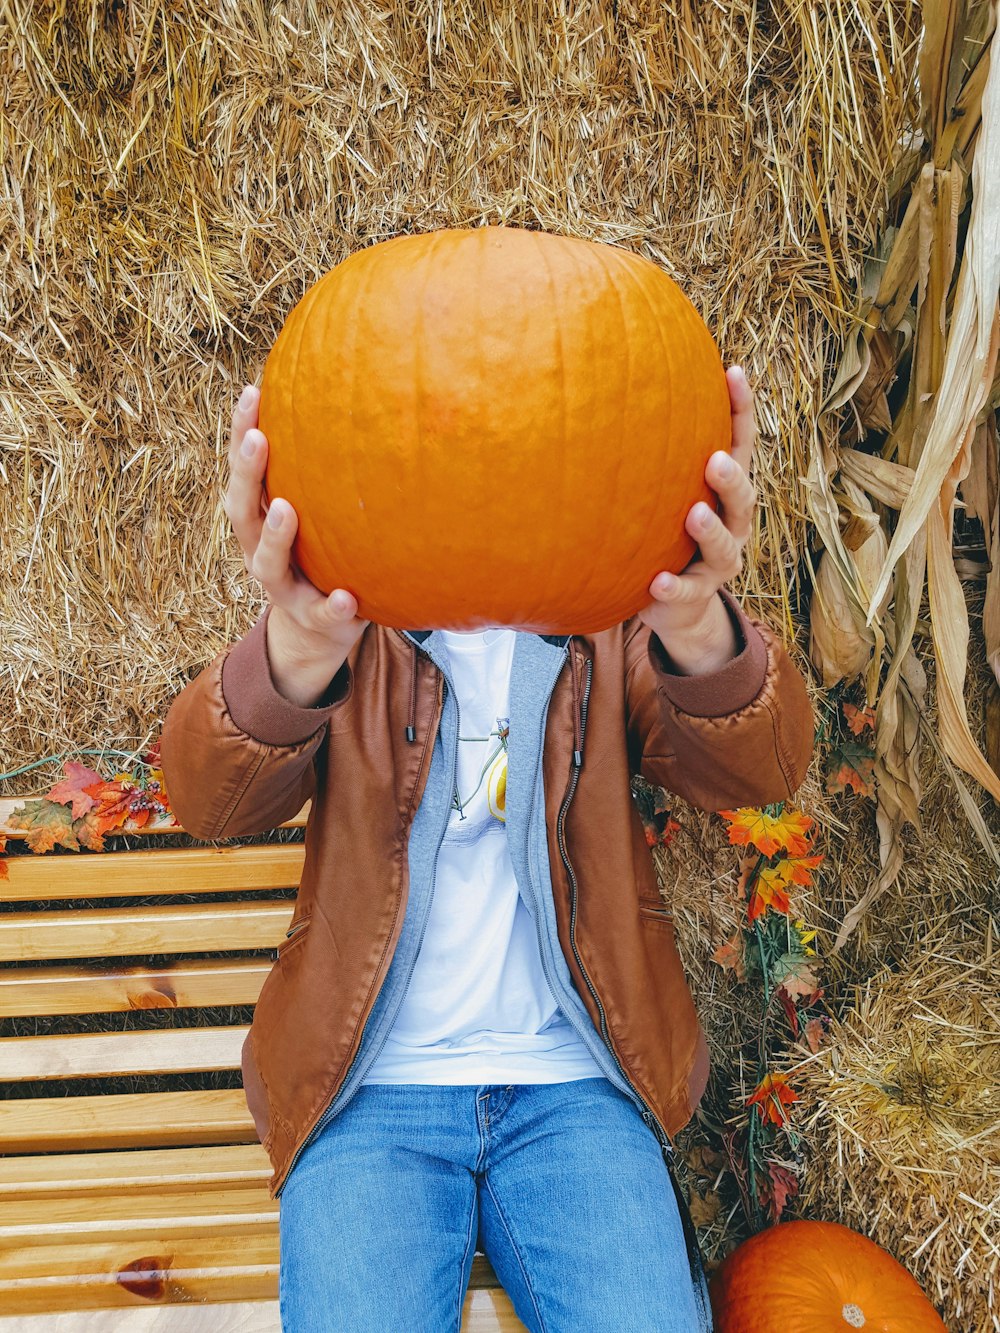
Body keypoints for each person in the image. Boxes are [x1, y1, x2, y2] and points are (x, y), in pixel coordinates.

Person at [161, 365, 813, 1332]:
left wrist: (701, 629)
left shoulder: (606, 621)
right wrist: (293, 653)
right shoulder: (350, 621)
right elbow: (207, 798)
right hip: (367, 1092)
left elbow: (759, 765)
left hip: (574, 1090)